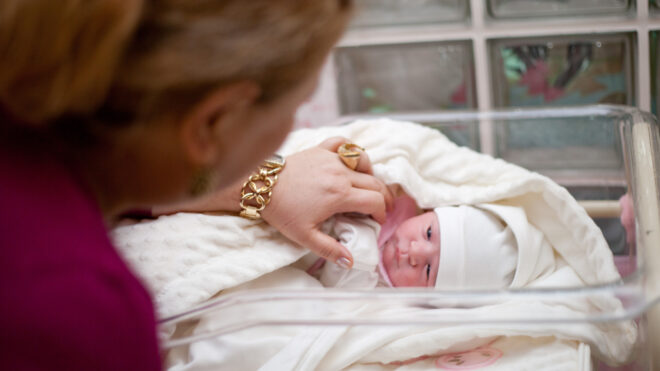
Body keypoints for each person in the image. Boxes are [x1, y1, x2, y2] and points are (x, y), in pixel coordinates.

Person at [0, 1, 393, 369]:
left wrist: (260, 185)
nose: (292, 127)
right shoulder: (81, 312)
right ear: (212, 122)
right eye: (295, 107)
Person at [311, 195, 519, 291]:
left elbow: (335, 289)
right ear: (429, 212)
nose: (415, 251)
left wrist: (361, 244)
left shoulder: (377, 289)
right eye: (428, 233)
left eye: (428, 270)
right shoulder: (397, 203)